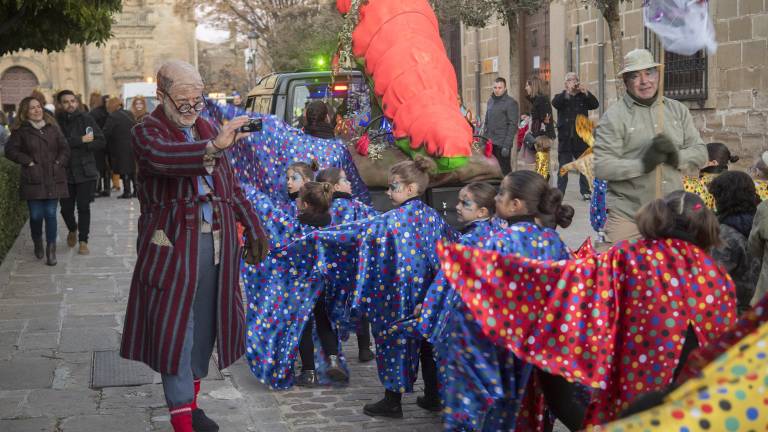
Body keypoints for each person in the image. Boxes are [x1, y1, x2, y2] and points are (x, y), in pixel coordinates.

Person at [439, 190, 735, 427]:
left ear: (655, 219)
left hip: (633, 400)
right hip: (699, 405)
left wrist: (485, 272)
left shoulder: (628, 257)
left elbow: (569, 287)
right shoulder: (718, 277)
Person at [119, 60, 269, 432]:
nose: (191, 107)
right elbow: (164, 160)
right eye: (183, 99)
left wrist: (254, 228)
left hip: (215, 242)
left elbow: (230, 187)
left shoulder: (204, 125)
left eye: (198, 98)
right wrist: (214, 146)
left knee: (203, 329)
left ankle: (190, 406)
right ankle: (181, 420)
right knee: (176, 332)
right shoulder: (147, 131)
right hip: (170, 245)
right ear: (162, 95)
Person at [593, 49, 708, 243]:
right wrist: (642, 164)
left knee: (676, 271)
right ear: (626, 82)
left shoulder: (677, 110)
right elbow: (602, 166)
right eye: (635, 76)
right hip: (630, 216)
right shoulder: (613, 117)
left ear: (657, 75)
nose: (644, 81)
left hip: (673, 216)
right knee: (615, 268)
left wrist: (676, 157)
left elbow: (701, 152)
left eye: (649, 73)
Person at [293, 181, 349, 386]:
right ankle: (333, 360)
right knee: (325, 322)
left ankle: (308, 371)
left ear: (306, 204)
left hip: (304, 283)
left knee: (304, 326)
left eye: (299, 198)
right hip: (327, 282)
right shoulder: (333, 223)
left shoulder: (298, 224)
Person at [4, 96, 70, 266]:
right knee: (35, 215)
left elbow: (65, 148)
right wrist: (28, 161)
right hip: (33, 179)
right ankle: (37, 241)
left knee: (50, 214)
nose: (37, 110)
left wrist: (59, 163)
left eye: (38, 107)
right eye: (32, 108)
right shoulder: (21, 131)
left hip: (54, 177)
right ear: (25, 112)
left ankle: (51, 249)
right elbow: (10, 150)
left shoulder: (53, 127)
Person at [56, 89, 105, 255]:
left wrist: (83, 144)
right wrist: (80, 140)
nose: (70, 104)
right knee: (65, 209)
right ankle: (72, 228)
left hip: (85, 171)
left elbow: (100, 140)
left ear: (76, 102)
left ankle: (84, 240)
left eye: (72, 101)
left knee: (84, 207)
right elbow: (57, 145)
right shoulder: (56, 123)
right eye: (66, 102)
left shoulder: (86, 119)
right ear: (60, 104)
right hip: (65, 172)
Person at [708, 171, 760, 314]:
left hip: (737, 314)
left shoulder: (725, 235)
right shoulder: (761, 223)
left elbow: (710, 282)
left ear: (722, 199)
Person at [552, 72, 599, 200]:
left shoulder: (583, 96)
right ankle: (560, 192)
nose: (573, 82)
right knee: (563, 167)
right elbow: (555, 103)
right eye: (570, 80)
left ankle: (585, 191)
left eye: (575, 80)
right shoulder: (561, 96)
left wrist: (587, 92)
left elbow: (595, 104)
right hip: (566, 138)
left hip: (581, 137)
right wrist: (567, 92)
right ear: (566, 83)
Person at [103, 97, 137, 199]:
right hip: (132, 144)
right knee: (132, 169)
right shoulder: (129, 113)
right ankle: (136, 191)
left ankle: (127, 191)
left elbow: (106, 131)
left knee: (124, 169)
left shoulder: (113, 116)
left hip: (119, 146)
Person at [483, 77, 519, 175]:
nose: (497, 90)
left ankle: (510, 189)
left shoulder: (511, 103)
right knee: (492, 171)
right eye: (495, 87)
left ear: (505, 88)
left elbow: (513, 126)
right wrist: (484, 139)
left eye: (500, 88)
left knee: (505, 171)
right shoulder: (490, 101)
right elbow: (486, 121)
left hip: (502, 144)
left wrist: (507, 146)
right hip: (490, 142)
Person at [88, 94, 111, 197]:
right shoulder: (109, 113)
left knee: (99, 167)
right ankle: (105, 188)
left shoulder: (93, 113)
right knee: (104, 167)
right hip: (104, 144)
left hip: (97, 143)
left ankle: (99, 188)